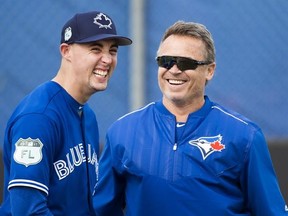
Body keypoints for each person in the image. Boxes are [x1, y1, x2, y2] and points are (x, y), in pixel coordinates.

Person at [93, 21, 287, 215]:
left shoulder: (245, 135)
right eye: (166, 61)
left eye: (186, 63)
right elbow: (101, 210)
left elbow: (271, 211)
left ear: (209, 70)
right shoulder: (123, 131)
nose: (174, 70)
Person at [0, 11, 132, 215]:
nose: (107, 59)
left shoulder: (88, 115)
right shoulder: (38, 118)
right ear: (66, 51)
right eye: (95, 49)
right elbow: (28, 211)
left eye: (112, 51)